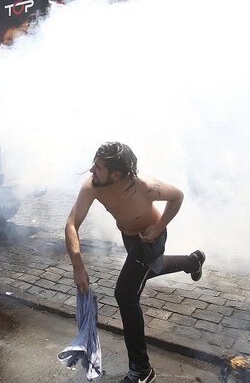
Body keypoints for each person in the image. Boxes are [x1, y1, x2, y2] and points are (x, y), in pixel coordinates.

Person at [64, 142, 205, 383]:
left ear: (116, 174)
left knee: (126, 292)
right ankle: (193, 261)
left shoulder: (146, 187)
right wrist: (78, 267)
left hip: (151, 239)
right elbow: (71, 225)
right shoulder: (93, 186)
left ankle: (142, 370)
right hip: (131, 239)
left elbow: (178, 196)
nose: (91, 170)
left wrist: (158, 227)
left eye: (98, 167)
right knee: (152, 268)